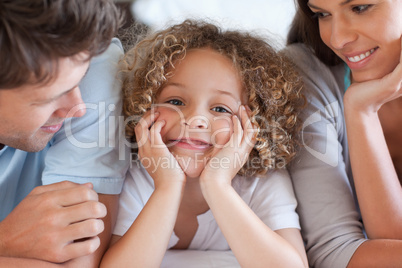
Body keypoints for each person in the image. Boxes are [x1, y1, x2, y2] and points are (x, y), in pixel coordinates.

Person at [100, 20, 309, 268]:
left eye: (220, 108)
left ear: (254, 124)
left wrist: (217, 184)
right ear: (145, 106)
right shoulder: (134, 176)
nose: (193, 120)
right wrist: (167, 186)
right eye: (176, 101)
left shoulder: (262, 181)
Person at [0, 0, 128, 267]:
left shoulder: (91, 61)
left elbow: (77, 260)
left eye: (78, 81)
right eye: (50, 97)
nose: (78, 109)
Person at [285, 0, 402, 267]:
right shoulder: (307, 75)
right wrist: (361, 111)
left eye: (360, 7)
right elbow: (336, 253)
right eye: (322, 14)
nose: (337, 39)